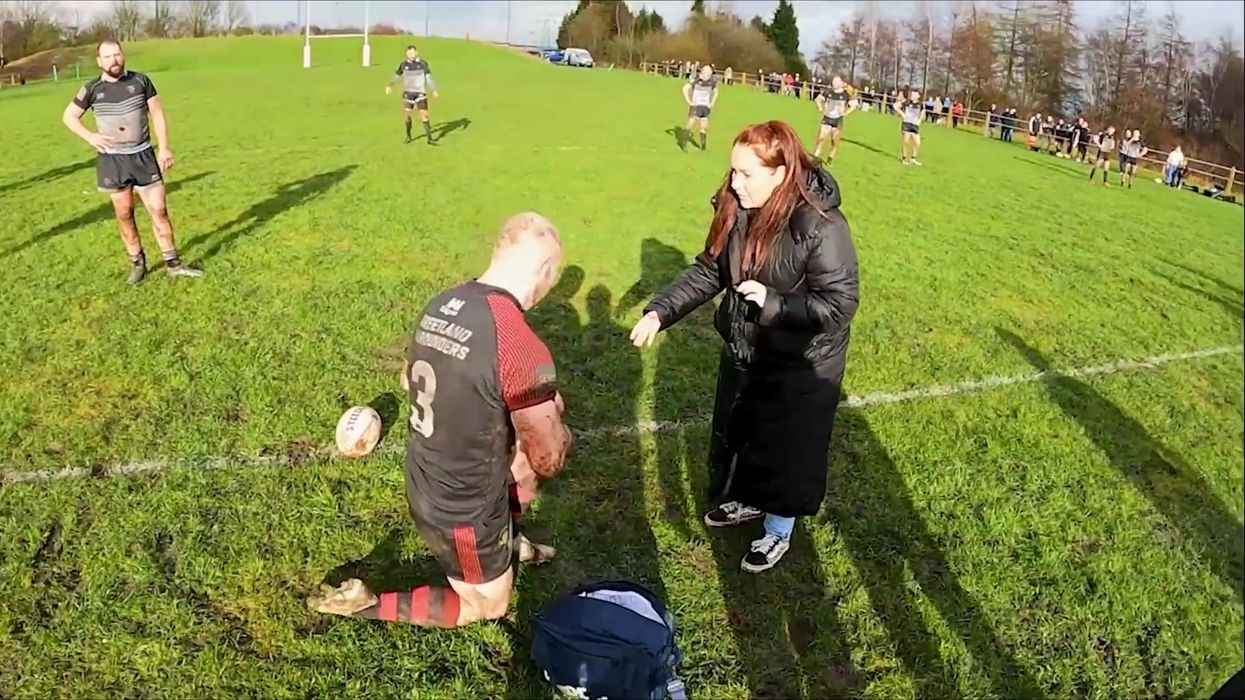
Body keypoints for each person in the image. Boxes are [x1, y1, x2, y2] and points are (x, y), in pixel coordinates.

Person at [310, 212, 574, 627]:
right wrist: (557, 420)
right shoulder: (519, 343)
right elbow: (548, 460)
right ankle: (366, 603)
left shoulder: (444, 303)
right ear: (543, 268)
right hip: (463, 510)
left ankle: (511, 542)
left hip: (424, 477)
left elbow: (406, 377)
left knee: (517, 451)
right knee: (487, 607)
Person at [629, 121, 859, 573]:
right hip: (747, 345)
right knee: (747, 432)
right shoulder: (737, 207)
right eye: (733, 171)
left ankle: (778, 530)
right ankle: (749, 501)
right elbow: (710, 270)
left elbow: (839, 304)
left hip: (804, 360)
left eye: (747, 174)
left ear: (780, 173)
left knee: (787, 450)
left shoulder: (821, 226)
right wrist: (660, 311)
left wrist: (775, 304)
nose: (735, 182)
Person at [61, 39, 204, 285]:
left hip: (144, 156)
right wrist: (90, 137)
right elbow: (69, 116)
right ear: (99, 61)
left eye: (116, 54)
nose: (113, 60)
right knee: (125, 214)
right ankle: (138, 263)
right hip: (113, 161)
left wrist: (165, 147)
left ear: (123, 56)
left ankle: (173, 264)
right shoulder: (92, 88)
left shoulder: (140, 81)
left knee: (159, 210)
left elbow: (157, 114)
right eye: (107, 57)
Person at [385, 45, 439, 144]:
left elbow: (428, 78)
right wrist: (389, 85)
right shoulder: (403, 65)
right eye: (409, 53)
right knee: (407, 116)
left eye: (413, 53)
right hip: (408, 94)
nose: (411, 55)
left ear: (416, 53)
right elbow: (396, 76)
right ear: (406, 54)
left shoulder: (423, 63)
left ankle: (430, 139)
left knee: (424, 115)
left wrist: (434, 89)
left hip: (420, 93)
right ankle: (408, 136)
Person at [812, 76, 857, 163]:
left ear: (841, 84)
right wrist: (820, 107)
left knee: (834, 140)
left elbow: (854, 105)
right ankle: (815, 157)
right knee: (821, 138)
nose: (834, 83)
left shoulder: (846, 94)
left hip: (837, 120)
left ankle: (831, 157)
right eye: (833, 82)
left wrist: (845, 113)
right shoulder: (828, 92)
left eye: (836, 82)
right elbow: (818, 99)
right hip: (827, 118)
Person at [682, 63, 719, 151]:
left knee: (704, 127)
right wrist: (689, 101)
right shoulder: (696, 79)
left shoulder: (712, 81)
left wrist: (712, 103)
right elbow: (684, 89)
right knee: (690, 124)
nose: (708, 73)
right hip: (696, 106)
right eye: (706, 71)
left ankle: (703, 147)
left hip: (705, 107)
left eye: (710, 71)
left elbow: (716, 92)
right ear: (702, 71)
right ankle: (683, 142)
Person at [893, 90, 924, 165]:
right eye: (912, 94)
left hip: (914, 124)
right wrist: (902, 114)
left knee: (917, 142)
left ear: (918, 96)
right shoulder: (907, 102)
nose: (912, 96)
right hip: (907, 123)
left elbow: (923, 112)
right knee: (906, 141)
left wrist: (919, 120)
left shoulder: (920, 104)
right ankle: (904, 159)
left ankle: (913, 158)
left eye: (914, 94)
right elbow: (895, 106)